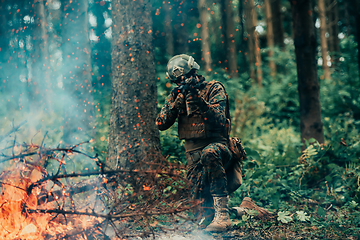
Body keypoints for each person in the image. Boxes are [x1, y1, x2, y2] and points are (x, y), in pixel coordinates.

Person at [155, 54, 233, 232]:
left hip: (218, 150)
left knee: (210, 153)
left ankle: (224, 216)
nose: (184, 82)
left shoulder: (214, 88)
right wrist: (176, 105)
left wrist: (200, 102)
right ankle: (239, 211)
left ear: (195, 72)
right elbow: (160, 124)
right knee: (199, 215)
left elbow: (220, 120)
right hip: (194, 162)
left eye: (187, 76)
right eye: (179, 81)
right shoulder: (176, 95)